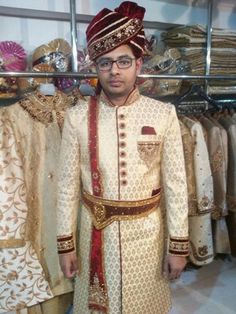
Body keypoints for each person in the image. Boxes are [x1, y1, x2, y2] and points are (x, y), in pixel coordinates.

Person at [56, 2, 189, 313]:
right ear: (96, 67)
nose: (114, 71)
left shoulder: (163, 114)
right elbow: (66, 188)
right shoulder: (76, 118)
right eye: (105, 62)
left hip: (148, 239)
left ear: (138, 65)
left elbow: (176, 185)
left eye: (123, 61)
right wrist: (66, 245)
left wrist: (178, 246)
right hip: (94, 235)